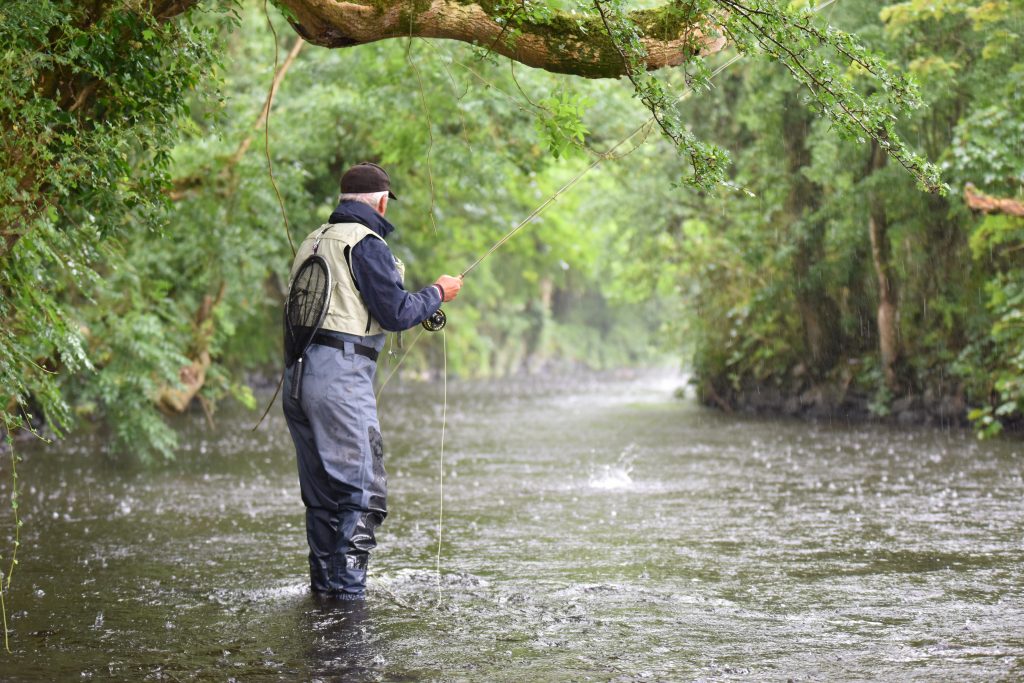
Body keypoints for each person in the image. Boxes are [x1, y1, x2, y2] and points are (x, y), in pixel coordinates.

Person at [282, 161, 462, 600]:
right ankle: (347, 601)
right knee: (363, 494)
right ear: (382, 201)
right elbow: (396, 314)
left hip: (296, 378)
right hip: (339, 382)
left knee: (323, 498)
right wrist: (438, 292)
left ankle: (324, 596)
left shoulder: (313, 241)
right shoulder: (366, 243)